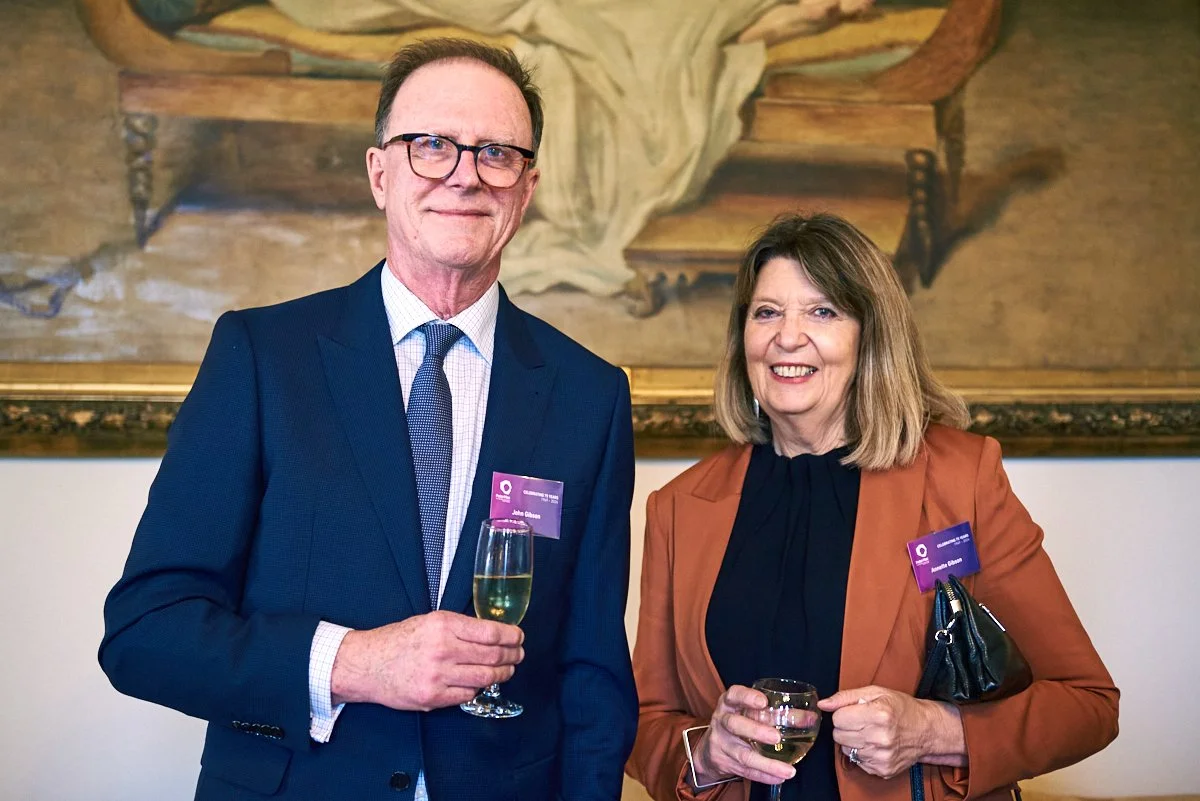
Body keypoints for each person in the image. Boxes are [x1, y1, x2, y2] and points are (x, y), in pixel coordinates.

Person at [100, 38, 637, 801]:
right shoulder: (263, 357)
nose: (464, 174)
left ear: (527, 187)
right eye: (431, 146)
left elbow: (591, 678)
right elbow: (145, 632)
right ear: (379, 172)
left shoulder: (591, 396)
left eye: (496, 153)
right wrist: (352, 662)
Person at [625, 213, 1118, 801]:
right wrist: (704, 753)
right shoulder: (680, 507)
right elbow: (646, 721)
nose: (787, 335)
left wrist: (936, 730)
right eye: (766, 312)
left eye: (823, 311)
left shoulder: (961, 480)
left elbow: (1087, 703)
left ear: (870, 336)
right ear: (743, 339)